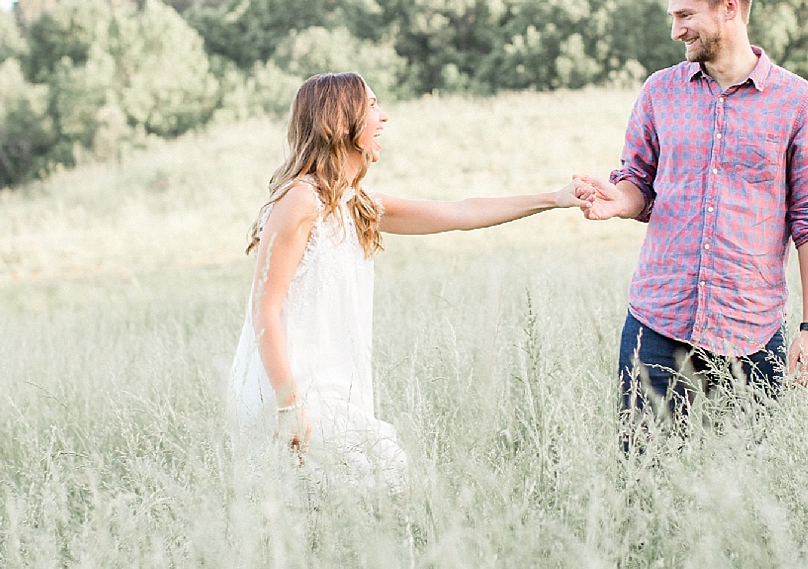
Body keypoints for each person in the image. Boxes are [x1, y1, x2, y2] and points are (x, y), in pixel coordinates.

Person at [227, 71, 582, 493]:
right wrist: (290, 405)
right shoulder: (301, 200)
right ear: (341, 121)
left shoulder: (354, 204)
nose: (383, 118)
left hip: (334, 388)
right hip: (293, 390)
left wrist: (553, 199)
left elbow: (462, 213)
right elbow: (265, 307)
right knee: (379, 481)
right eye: (372, 106)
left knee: (353, 503)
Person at [574, 0, 808, 450]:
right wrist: (616, 202)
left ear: (729, 8)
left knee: (748, 482)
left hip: (751, 333)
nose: (675, 30)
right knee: (642, 474)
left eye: (685, 15)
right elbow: (638, 184)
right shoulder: (659, 92)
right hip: (658, 323)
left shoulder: (799, 104)